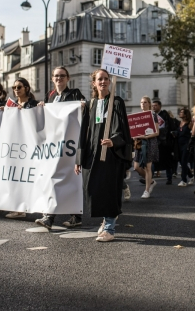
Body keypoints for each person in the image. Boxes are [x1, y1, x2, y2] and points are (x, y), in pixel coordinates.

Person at [75, 69, 132, 242]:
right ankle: (106, 219)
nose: (104, 81)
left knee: (109, 189)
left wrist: (114, 140)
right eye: (100, 79)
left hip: (110, 153)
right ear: (94, 83)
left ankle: (109, 228)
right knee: (93, 188)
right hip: (92, 153)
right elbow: (84, 132)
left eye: (106, 79)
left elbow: (122, 127)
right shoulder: (90, 104)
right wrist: (79, 158)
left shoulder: (116, 102)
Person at [35, 66, 86, 229]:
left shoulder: (75, 94)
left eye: (62, 76)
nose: (59, 78)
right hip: (54, 143)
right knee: (53, 178)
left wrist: (82, 105)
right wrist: (42, 107)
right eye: (56, 76)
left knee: (71, 177)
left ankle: (75, 215)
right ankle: (49, 216)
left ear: (67, 78)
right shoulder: (50, 97)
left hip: (69, 143)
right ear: (52, 78)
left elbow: (82, 111)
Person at [4, 78, 39, 219]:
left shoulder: (33, 104)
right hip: (15, 145)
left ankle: (25, 207)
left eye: (19, 87)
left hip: (28, 145)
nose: (16, 89)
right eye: (14, 87)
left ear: (26, 88)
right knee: (15, 177)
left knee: (27, 177)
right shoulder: (10, 105)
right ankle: (17, 208)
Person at [133, 96, 159, 198]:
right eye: (141, 102)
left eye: (145, 102)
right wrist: (135, 136)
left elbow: (157, 132)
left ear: (149, 104)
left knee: (147, 167)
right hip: (139, 143)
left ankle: (147, 190)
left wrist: (145, 136)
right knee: (136, 167)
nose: (143, 104)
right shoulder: (138, 116)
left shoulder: (153, 115)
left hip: (150, 142)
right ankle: (151, 181)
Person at [152, 100, 176, 184]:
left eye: (155, 105)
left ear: (159, 106)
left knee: (167, 160)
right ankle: (149, 178)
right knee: (153, 160)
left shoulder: (164, 114)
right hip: (155, 140)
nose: (153, 107)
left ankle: (169, 178)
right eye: (153, 105)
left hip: (164, 141)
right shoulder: (152, 115)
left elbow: (169, 127)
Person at [176, 107, 194, 187]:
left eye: (182, 112)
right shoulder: (180, 123)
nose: (180, 113)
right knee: (180, 161)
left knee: (184, 162)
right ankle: (191, 175)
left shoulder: (189, 123)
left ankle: (184, 180)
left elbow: (193, 133)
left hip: (186, 145)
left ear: (186, 115)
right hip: (178, 144)